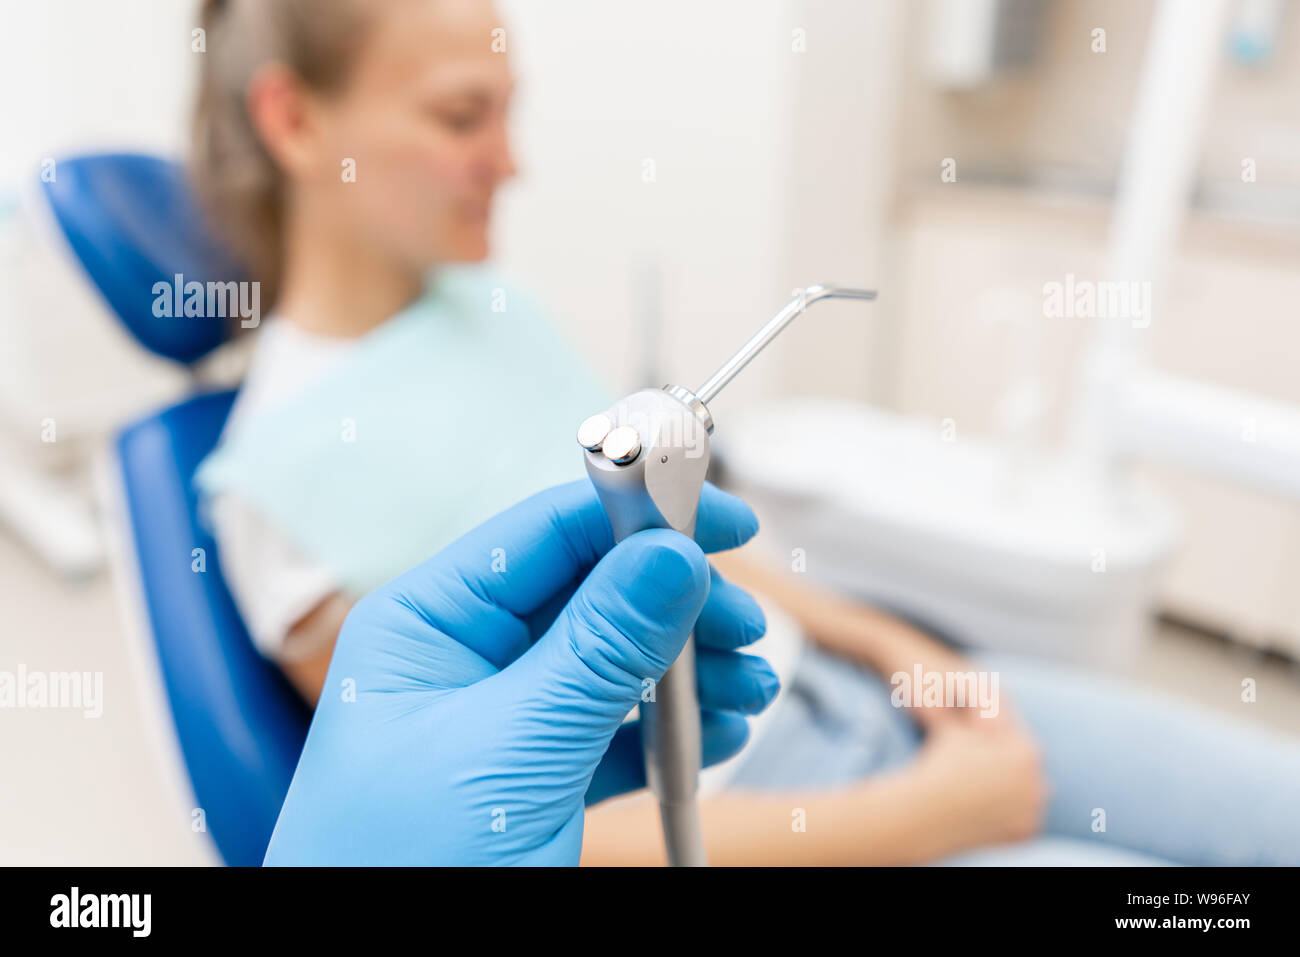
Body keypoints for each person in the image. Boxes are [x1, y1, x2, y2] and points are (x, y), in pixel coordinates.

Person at [194, 0, 1300, 867]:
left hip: (840, 688)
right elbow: (503, 842)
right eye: (459, 115)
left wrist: (897, 646)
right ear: (295, 120)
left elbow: (689, 540)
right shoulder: (275, 490)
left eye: (509, 111)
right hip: (771, 815)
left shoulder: (492, 310)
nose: (513, 161)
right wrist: (926, 815)